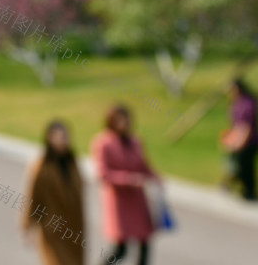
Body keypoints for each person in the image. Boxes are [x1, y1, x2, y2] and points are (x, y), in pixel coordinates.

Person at [91, 105, 161, 265]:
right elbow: (103, 173)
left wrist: (156, 178)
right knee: (120, 249)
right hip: (119, 201)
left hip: (138, 200)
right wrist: (128, 179)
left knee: (145, 243)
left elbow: (143, 165)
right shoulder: (104, 143)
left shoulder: (135, 141)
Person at [22, 121, 86, 265]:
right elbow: (32, 196)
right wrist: (27, 226)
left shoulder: (72, 161)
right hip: (53, 229)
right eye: (58, 136)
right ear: (49, 139)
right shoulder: (41, 165)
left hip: (74, 229)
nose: (62, 140)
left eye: (65, 136)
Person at [221, 78, 258, 200]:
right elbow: (234, 124)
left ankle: (250, 192)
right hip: (238, 140)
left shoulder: (248, 103)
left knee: (246, 168)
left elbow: (246, 126)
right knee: (237, 166)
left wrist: (240, 143)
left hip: (249, 141)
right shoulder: (235, 102)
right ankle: (241, 189)